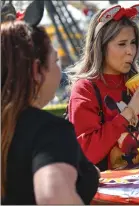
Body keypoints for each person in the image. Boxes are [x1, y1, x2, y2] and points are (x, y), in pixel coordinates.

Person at [1, 1, 98, 204]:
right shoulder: (48, 131)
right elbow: (53, 196)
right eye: (55, 61)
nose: (59, 70)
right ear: (37, 70)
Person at [66, 4, 139, 171]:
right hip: (109, 193)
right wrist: (130, 112)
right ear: (101, 46)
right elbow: (87, 152)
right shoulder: (85, 89)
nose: (131, 51)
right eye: (122, 44)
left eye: (133, 42)